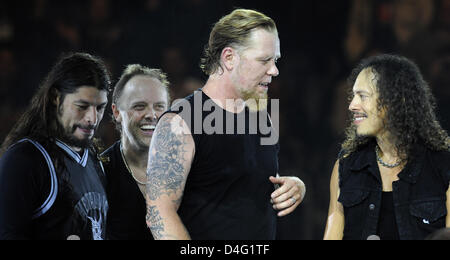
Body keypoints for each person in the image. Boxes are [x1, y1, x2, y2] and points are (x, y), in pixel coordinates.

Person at [145, 9, 306, 240]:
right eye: (264, 60)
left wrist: (293, 186)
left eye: (275, 60)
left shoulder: (263, 116)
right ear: (229, 57)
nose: (274, 70)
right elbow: (159, 214)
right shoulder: (180, 121)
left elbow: (254, 180)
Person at [324, 54, 450, 240]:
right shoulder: (346, 166)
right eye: (354, 96)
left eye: (363, 96)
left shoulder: (442, 165)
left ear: (395, 101)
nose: (352, 105)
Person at [0, 52, 111, 240]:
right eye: (82, 106)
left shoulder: (94, 160)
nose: (93, 118)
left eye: (100, 108)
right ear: (56, 98)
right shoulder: (24, 160)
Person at [101, 64, 170, 240]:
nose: (152, 115)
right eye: (140, 106)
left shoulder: (191, 169)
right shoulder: (98, 172)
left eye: (159, 106)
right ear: (116, 112)